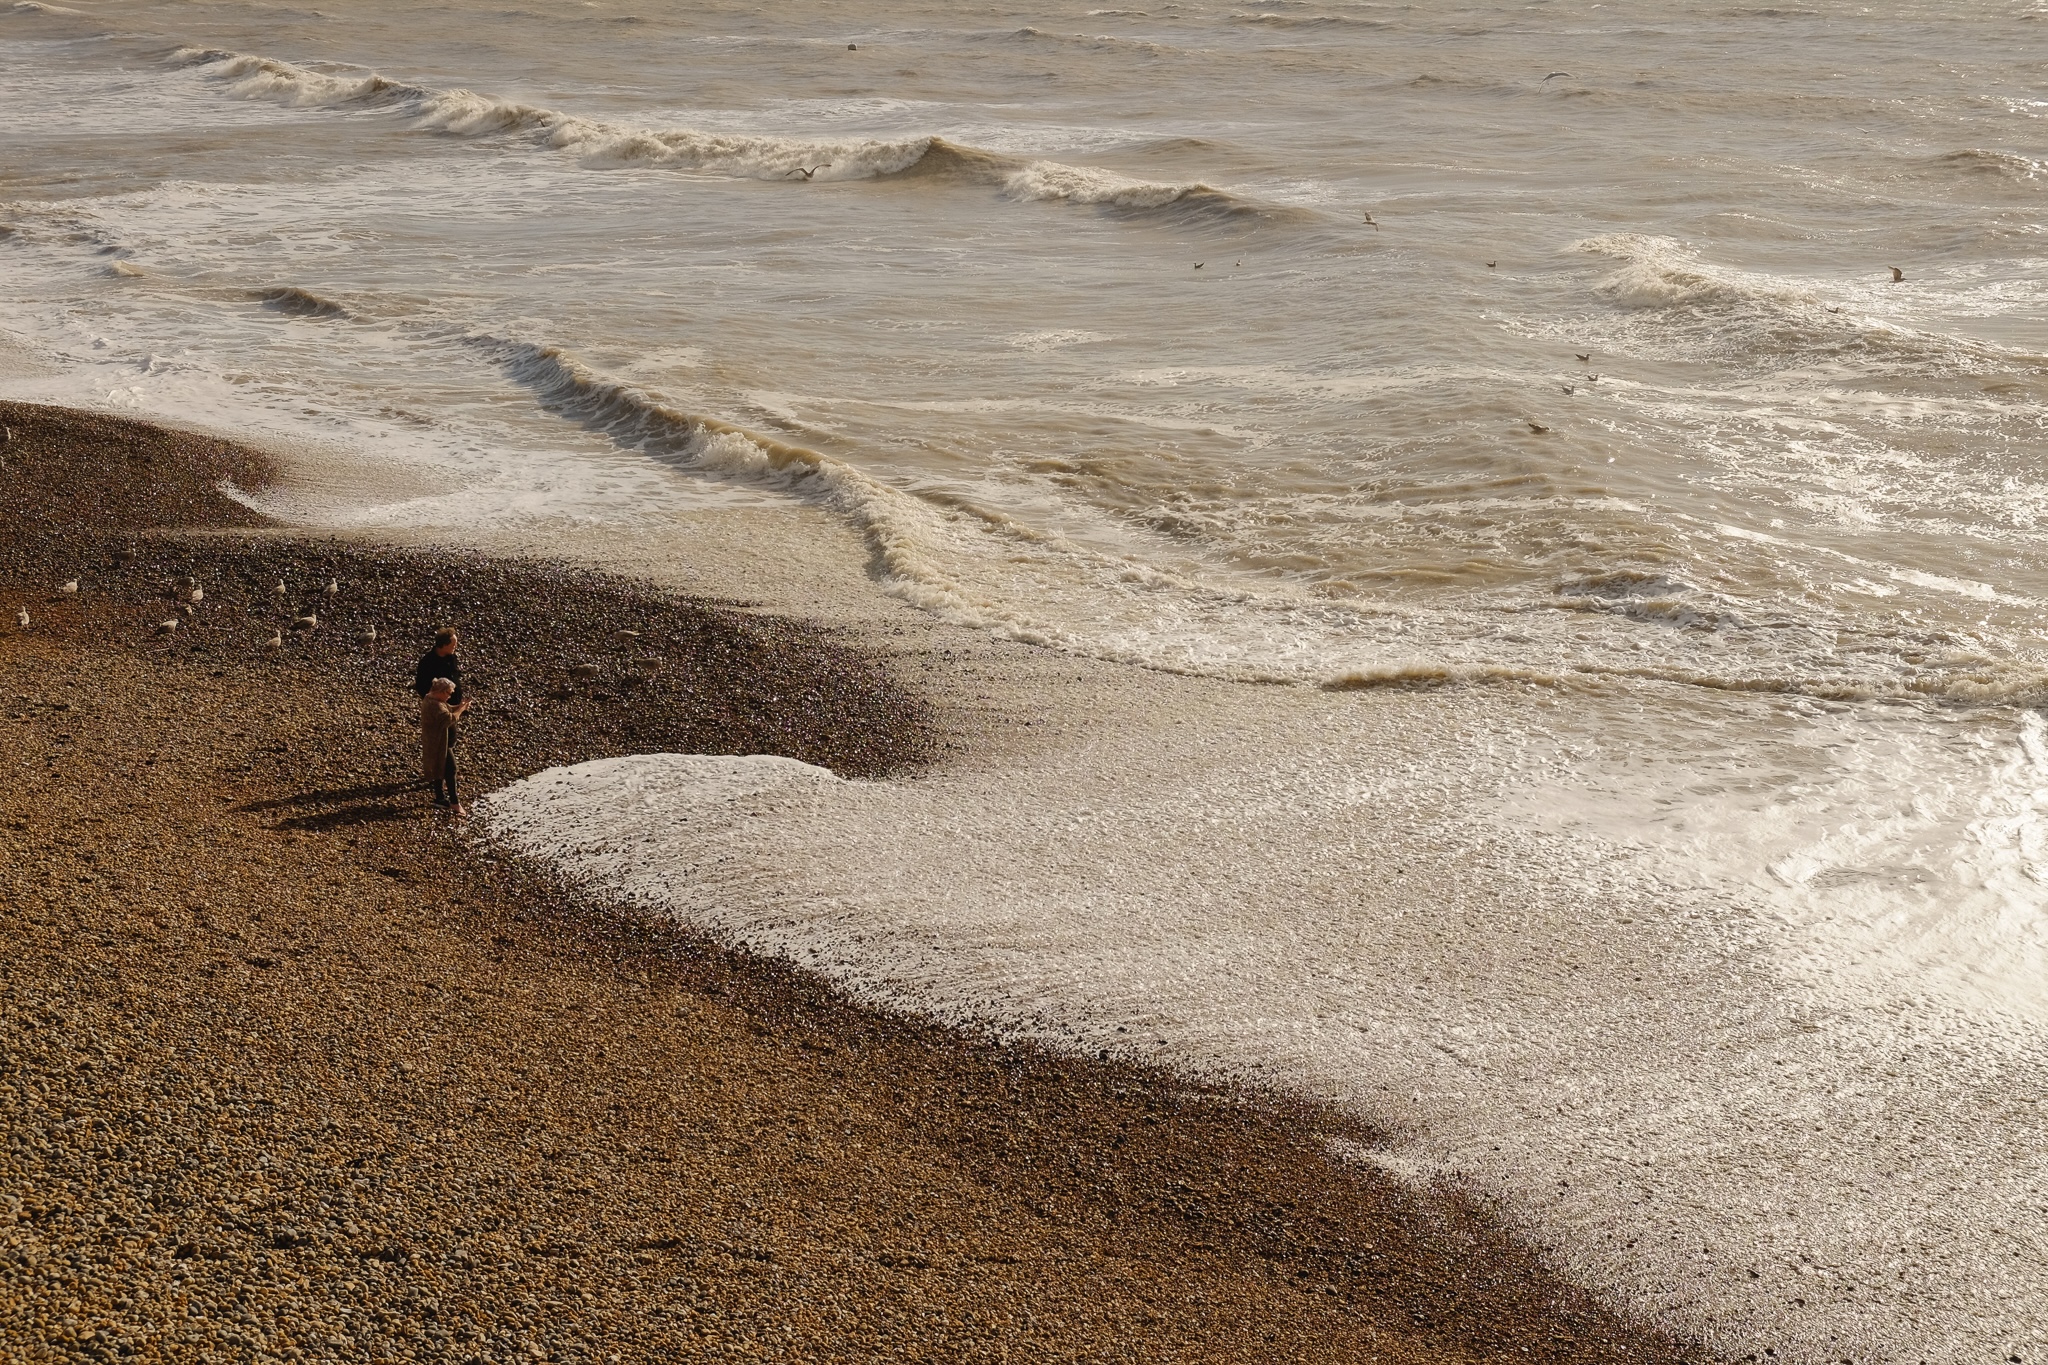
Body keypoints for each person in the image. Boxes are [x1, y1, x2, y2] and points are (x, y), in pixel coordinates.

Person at [420, 675, 469, 813]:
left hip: (441, 741)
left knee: (440, 769)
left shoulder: (434, 699)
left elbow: (448, 709)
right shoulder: (433, 704)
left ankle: (440, 798)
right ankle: (454, 802)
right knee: (451, 769)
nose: (449, 696)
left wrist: (460, 707)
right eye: (448, 693)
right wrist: (460, 710)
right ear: (441, 691)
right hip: (440, 743)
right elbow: (448, 718)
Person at [413, 626, 462, 705]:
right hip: (437, 706)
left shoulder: (451, 658)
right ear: (444, 645)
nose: (455, 647)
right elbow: (421, 686)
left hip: (454, 704)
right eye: (453, 645)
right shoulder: (427, 662)